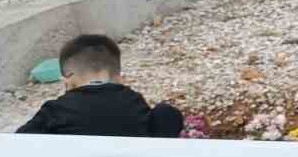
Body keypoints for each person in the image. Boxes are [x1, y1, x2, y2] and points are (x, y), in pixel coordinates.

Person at [17, 34, 184, 138]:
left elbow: (20, 140)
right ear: (119, 79)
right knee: (166, 112)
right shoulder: (133, 99)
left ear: (68, 81)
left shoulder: (55, 109)